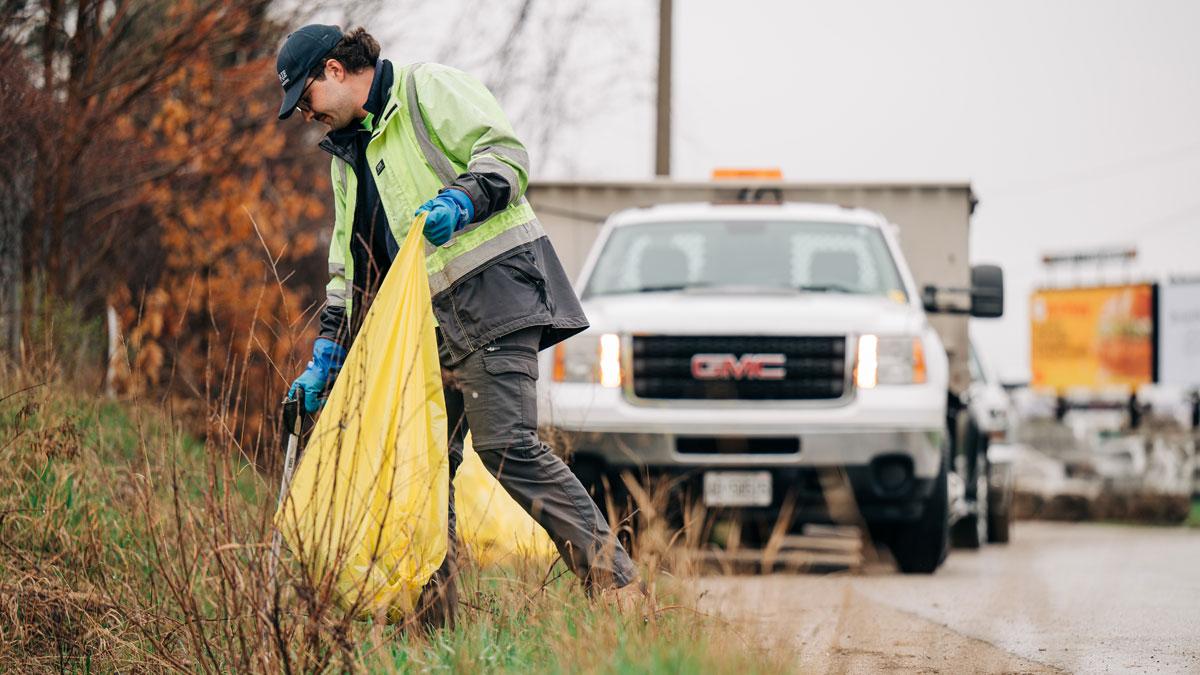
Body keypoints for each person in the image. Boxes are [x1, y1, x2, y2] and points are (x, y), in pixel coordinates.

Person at [275, 25, 639, 626]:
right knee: (421, 466)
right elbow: (348, 266)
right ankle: (433, 627)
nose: (306, 115)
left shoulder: (425, 90)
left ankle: (618, 586)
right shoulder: (347, 158)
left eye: (306, 97)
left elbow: (504, 154)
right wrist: (325, 353)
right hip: (427, 324)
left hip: (495, 293)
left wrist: (462, 200)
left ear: (335, 70)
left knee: (504, 445)